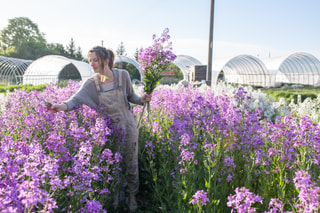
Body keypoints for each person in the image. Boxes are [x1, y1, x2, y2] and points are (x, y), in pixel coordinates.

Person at [50, 46, 151, 212]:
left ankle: (133, 196)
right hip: (110, 131)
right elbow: (74, 100)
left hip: (128, 125)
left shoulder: (123, 76)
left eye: (95, 60)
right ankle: (117, 199)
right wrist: (59, 106)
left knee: (131, 162)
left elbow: (132, 97)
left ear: (106, 61)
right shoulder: (92, 83)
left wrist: (142, 99)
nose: (92, 64)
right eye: (90, 60)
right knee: (114, 166)